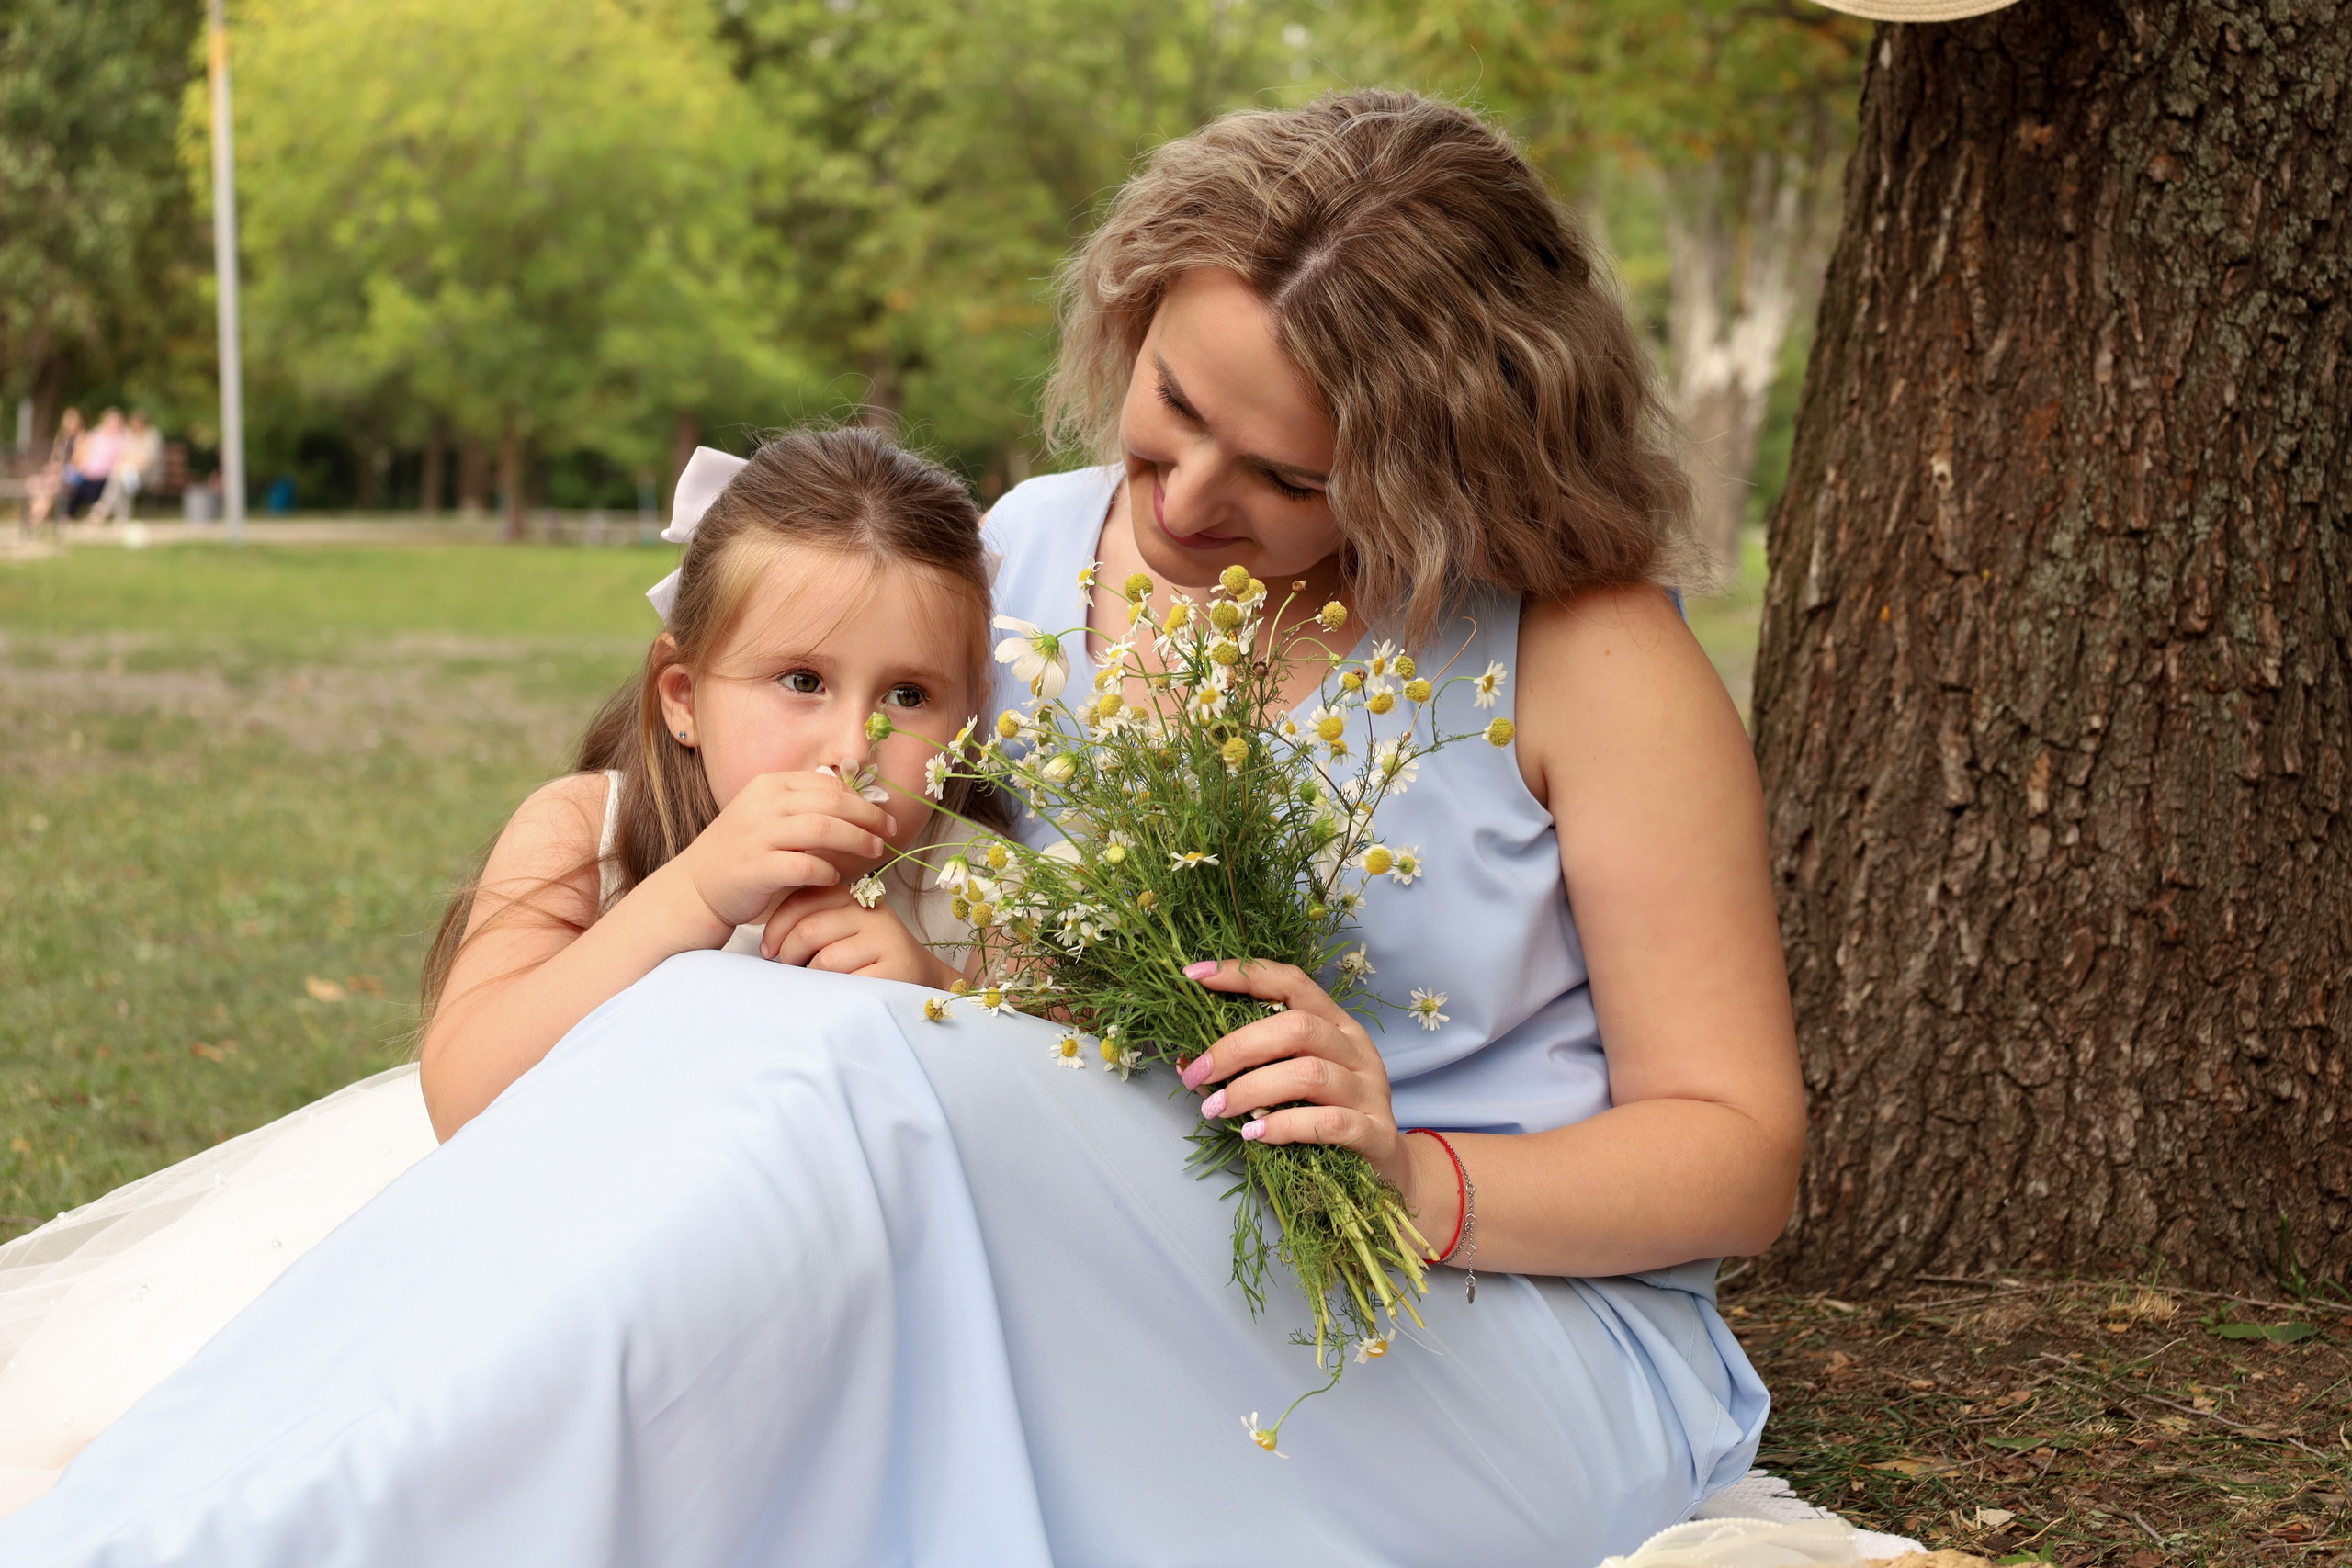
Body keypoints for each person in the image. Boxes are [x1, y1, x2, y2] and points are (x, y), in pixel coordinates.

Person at [0, 91, 1804, 1568]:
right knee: (749, 1073)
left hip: (1459, 1337)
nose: (1179, 501)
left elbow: (1736, 1150)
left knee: (835, 1080)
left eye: (1287, 479)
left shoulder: (1581, 655)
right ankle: (230, 1521)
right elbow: (890, 912)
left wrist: (1407, 1173)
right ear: (1128, 315)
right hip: (1054, 1228)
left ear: (1443, 458)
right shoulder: (1020, 549)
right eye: (1171, 410)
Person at [0, 426, 992, 1511]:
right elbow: (465, 1088)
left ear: (968, 716)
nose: (849, 745)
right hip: (527, 1261)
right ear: (680, 696)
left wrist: (932, 1005)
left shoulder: (968, 893)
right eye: (801, 680)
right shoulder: (592, 832)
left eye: (908, 697)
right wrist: (697, 892)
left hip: (794, 1318)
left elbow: (1019, 1150)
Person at [64, 409, 125, 519]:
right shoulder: (95, 434)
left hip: (106, 474)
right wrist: (80, 465)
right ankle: (68, 516)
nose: (113, 425)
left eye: (116, 423)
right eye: (110, 422)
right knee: (73, 486)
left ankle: (97, 514)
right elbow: (83, 452)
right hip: (88, 472)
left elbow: (123, 457)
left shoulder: (123, 438)